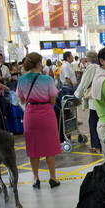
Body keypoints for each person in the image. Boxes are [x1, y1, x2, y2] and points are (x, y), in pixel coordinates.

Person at [16, 52, 61, 189]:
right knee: (50, 147)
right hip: (46, 113)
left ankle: (36, 179)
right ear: (40, 63)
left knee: (33, 147)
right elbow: (53, 100)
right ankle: (53, 178)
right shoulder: (47, 79)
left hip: (30, 114)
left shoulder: (21, 80)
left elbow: (21, 99)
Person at [74, 51, 102, 153]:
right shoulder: (100, 66)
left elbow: (84, 82)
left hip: (93, 98)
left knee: (93, 121)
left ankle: (96, 145)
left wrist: (77, 95)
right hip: (101, 98)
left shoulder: (91, 67)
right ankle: (100, 143)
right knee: (99, 121)